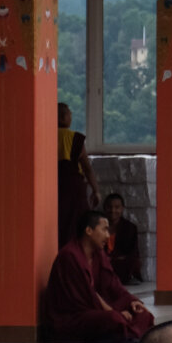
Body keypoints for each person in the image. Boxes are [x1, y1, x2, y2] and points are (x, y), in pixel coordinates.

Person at [44, 210, 154, 343]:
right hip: (73, 316)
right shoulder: (70, 256)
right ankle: (126, 331)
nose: (108, 236)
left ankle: (125, 331)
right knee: (113, 319)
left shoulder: (98, 254)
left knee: (142, 313)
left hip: (96, 307)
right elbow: (88, 295)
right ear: (89, 230)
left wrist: (132, 301)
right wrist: (115, 312)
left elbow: (113, 284)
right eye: (104, 230)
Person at [58, 103, 99, 246]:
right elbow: (87, 168)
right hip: (74, 189)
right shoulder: (74, 138)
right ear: (63, 118)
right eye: (69, 114)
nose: (71, 117)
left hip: (54, 188)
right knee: (77, 226)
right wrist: (96, 190)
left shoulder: (46, 136)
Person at [105, 193, 145, 285]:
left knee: (133, 262)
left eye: (117, 207)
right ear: (104, 208)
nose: (113, 210)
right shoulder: (98, 226)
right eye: (109, 207)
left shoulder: (129, 227)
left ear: (122, 208)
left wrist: (113, 258)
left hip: (119, 263)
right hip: (103, 261)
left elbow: (133, 252)